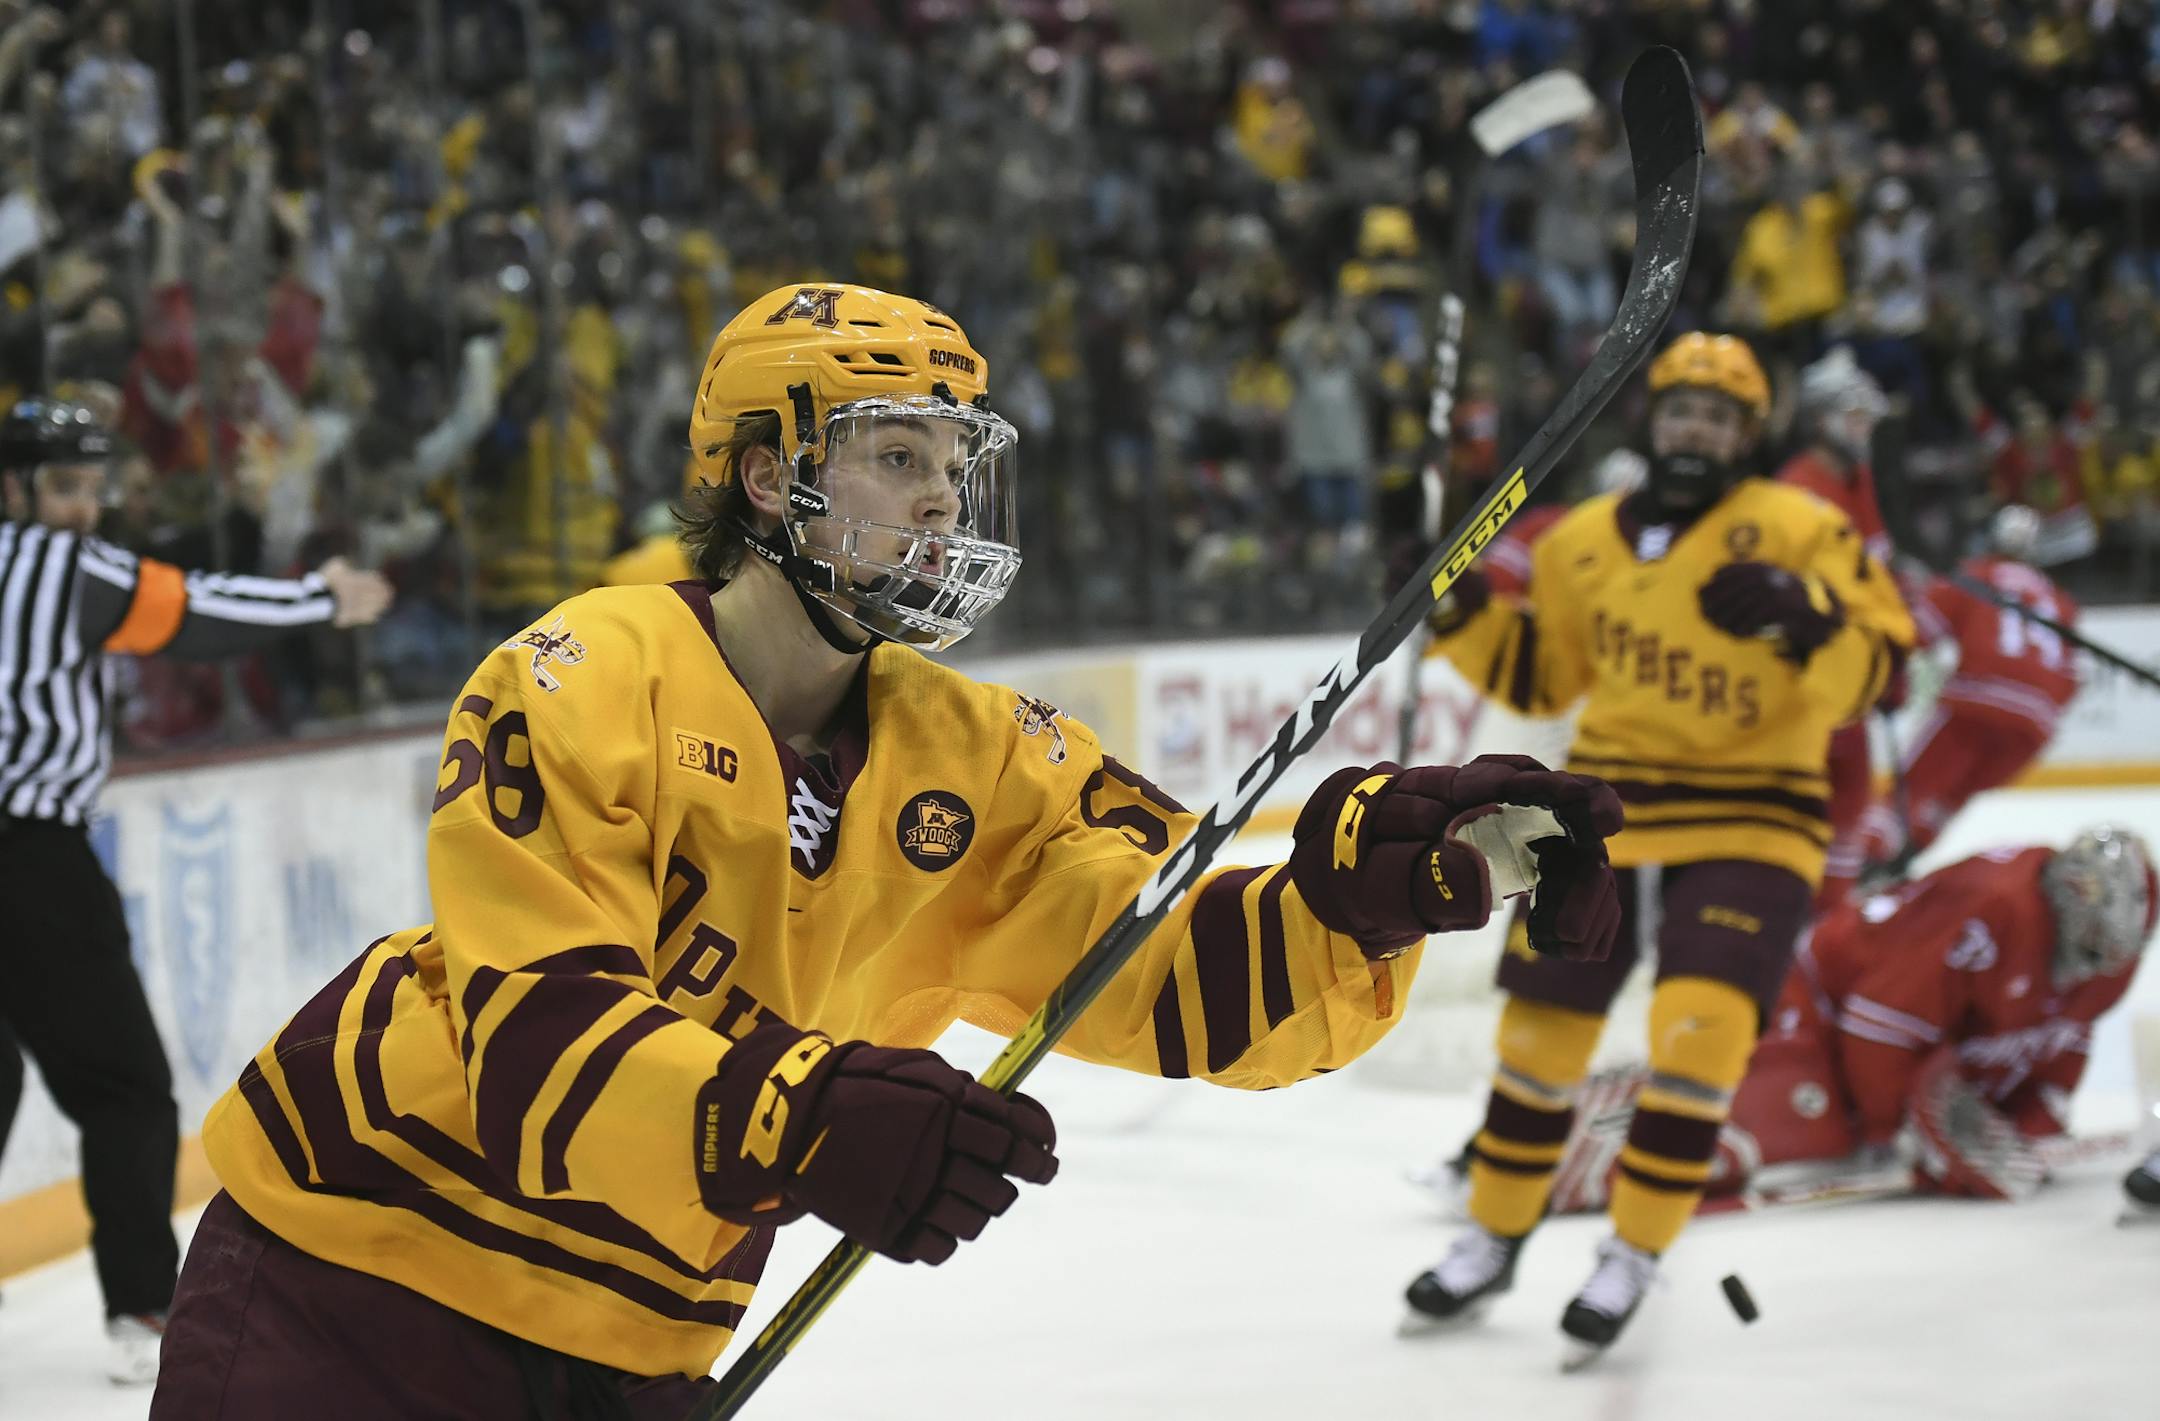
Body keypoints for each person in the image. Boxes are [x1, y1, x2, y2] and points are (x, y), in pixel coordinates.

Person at [150, 284, 1627, 1419]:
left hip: (639, 1323)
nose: (938, 497)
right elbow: (538, 1033)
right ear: (761, 477)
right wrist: (793, 1116)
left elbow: (1158, 963)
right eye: (894, 455)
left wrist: (1361, 889)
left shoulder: (981, 759)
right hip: (354, 1268)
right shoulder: (581, 670)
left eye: (952, 463)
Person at [1400, 332, 1914, 1361]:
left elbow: (1886, 670)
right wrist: (1455, 611)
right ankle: (1495, 1230)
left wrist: (1808, 619)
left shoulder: (1802, 526)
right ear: (1653, 420)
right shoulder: (1578, 540)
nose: (1697, 431)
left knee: (1700, 1031)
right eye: (1683, 411)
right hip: (1609, 810)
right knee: (1538, 1040)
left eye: (1721, 419)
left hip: (1756, 815)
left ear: (1749, 435)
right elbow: (1545, 676)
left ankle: (1634, 1248)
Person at [0, 399, 392, 1383]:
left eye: (93, 489)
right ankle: (142, 1304)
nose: (83, 510)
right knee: (127, 1086)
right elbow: (192, 611)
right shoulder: (58, 566)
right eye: (62, 487)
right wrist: (321, 599)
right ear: (13, 488)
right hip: (30, 855)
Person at [1538, 831, 2151, 1212]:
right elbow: (1876, 1025)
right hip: (1821, 1008)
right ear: (2065, 901)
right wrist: (1892, 1132)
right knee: (1759, 1133)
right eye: (2085, 943)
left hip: (1908, 1046)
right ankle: (1548, 1144)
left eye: (2104, 952)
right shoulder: (1989, 910)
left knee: (1825, 1127)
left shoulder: (2109, 952)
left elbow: (2062, 1040)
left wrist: (2034, 1121)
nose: (2086, 967)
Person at [1851, 506, 2080, 881]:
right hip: (2034, 728)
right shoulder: (2060, 603)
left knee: (1915, 787)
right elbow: (2070, 682)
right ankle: (1905, 857)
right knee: (1950, 798)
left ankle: (1867, 860)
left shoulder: (1976, 577)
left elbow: (1917, 632)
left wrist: (1882, 668)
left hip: (1978, 703)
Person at [1777, 345, 1901, 911]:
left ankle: (1827, 924)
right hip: (1806, 685)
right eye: (1855, 418)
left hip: (1847, 682)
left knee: (1852, 804)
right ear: (1824, 420)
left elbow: (1874, 578)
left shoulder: (1857, 479)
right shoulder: (1798, 489)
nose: (1865, 430)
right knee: (1811, 806)